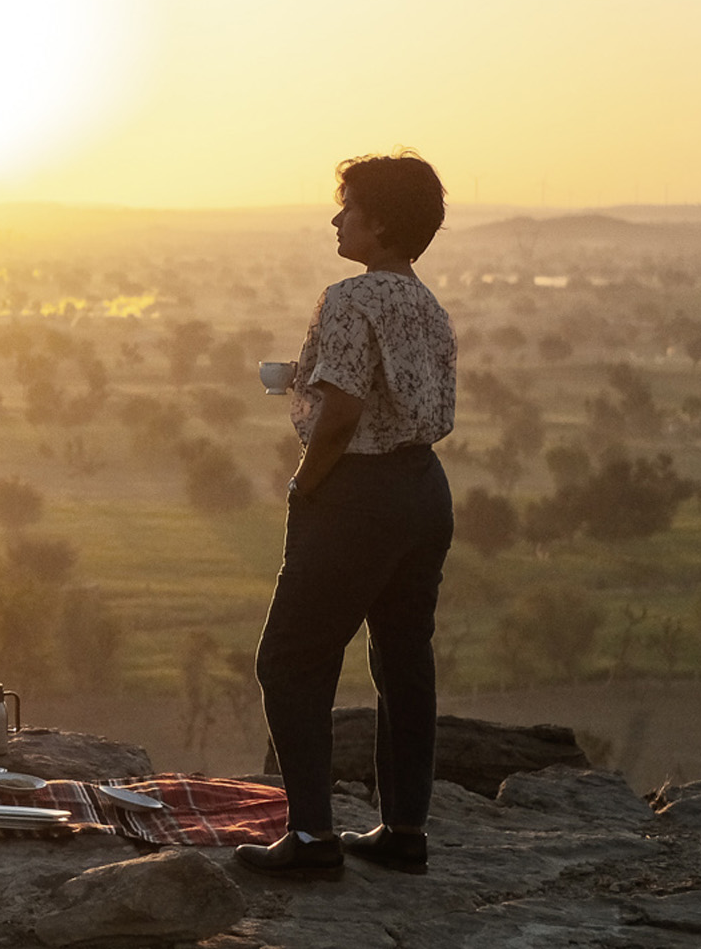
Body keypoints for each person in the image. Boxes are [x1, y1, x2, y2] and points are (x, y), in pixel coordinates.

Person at [238, 152, 456, 880]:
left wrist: (307, 481)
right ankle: (404, 831)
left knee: (291, 659)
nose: (337, 218)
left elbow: (347, 411)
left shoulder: (350, 298)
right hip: (423, 489)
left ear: (383, 223)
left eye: (349, 207)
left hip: (360, 493)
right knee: (402, 658)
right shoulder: (426, 304)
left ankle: (310, 841)